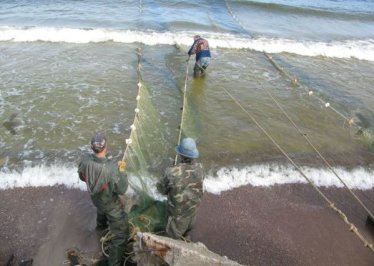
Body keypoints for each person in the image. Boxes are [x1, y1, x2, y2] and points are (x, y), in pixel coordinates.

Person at [78, 133, 129, 266]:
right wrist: (122, 171)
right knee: (121, 235)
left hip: (96, 199)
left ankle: (100, 229)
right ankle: (114, 263)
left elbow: (82, 177)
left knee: (101, 209)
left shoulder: (85, 160)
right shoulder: (111, 168)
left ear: (91, 147)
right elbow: (122, 189)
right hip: (110, 204)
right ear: (105, 147)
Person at [157, 138, 204, 240]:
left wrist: (170, 170)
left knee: (171, 242)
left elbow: (161, 190)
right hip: (193, 214)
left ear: (181, 155)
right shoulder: (200, 168)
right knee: (186, 236)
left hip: (178, 219)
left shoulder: (171, 172)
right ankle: (186, 239)